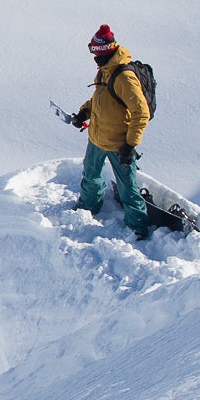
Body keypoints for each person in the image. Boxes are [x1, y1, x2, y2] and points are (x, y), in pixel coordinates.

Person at [70, 24, 151, 239]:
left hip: (118, 144)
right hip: (97, 138)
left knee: (128, 188)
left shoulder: (124, 77)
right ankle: (88, 207)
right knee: (90, 177)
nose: (93, 56)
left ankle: (138, 227)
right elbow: (100, 100)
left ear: (104, 50)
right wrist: (83, 113)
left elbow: (141, 112)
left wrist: (130, 145)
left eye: (94, 51)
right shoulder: (104, 71)